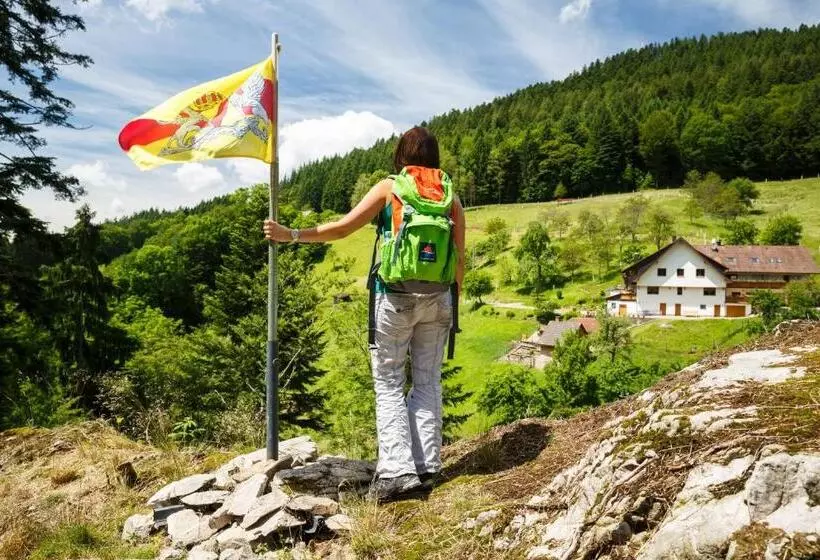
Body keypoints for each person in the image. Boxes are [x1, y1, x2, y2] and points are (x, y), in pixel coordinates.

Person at [263, 127, 465, 503]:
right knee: (427, 383)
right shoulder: (451, 198)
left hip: (395, 298)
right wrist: (449, 307)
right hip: (439, 299)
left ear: (400, 155)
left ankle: (396, 472)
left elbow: (341, 229)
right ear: (435, 157)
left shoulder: (390, 188)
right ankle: (427, 467)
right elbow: (459, 260)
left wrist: (288, 234)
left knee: (388, 382)